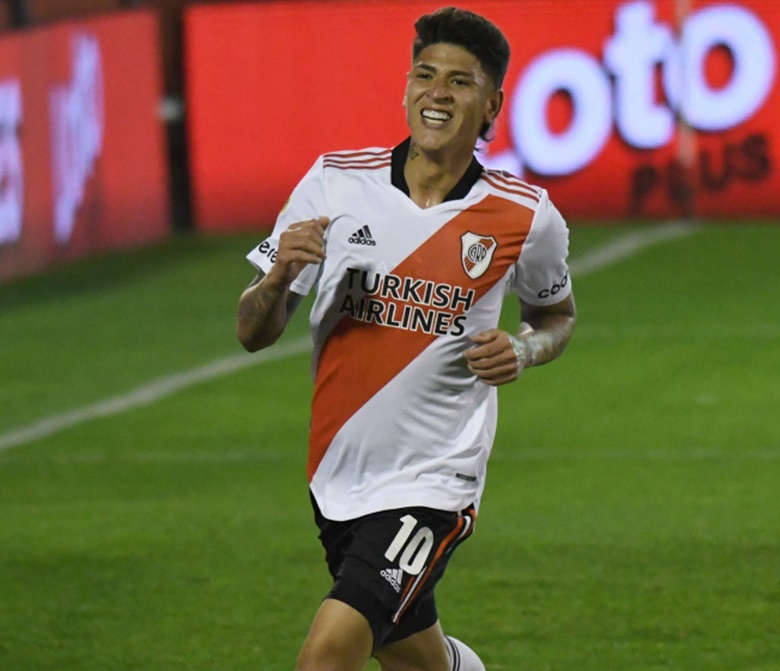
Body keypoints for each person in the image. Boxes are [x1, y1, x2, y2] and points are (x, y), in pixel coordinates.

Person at [236, 7, 576, 670]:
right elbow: (252, 331)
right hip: (338, 474)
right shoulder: (335, 183)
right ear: (406, 88)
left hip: (434, 481)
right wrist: (278, 277)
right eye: (425, 75)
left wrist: (524, 349)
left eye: (459, 81)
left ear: (491, 105)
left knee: (326, 656)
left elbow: (557, 316)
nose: (437, 93)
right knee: (417, 658)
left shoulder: (526, 216)